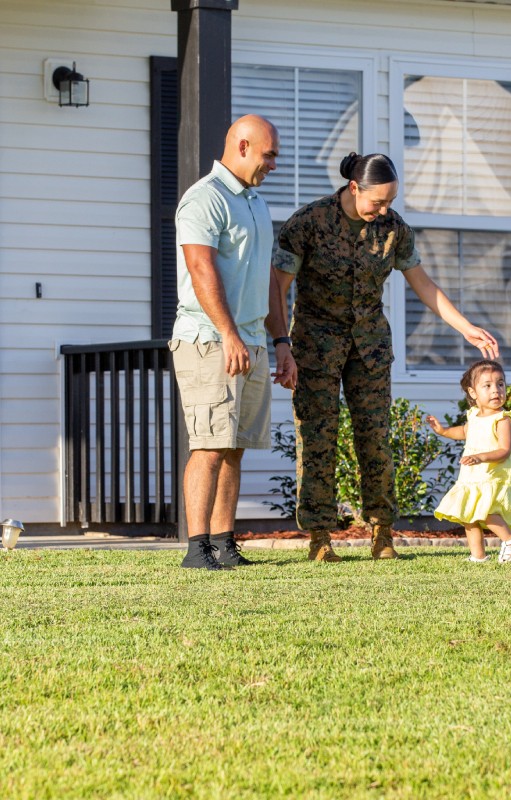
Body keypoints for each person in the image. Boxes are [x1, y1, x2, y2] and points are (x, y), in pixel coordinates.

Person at [269, 152, 498, 563]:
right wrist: (281, 342)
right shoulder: (309, 223)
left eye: (390, 201)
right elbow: (277, 286)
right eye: (378, 201)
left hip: (370, 347)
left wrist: (464, 326)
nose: (384, 209)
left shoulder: (394, 229)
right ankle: (320, 537)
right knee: (317, 439)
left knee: (375, 438)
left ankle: (382, 532)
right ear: (354, 188)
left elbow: (423, 284)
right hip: (315, 347)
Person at [170, 114, 296, 570]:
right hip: (209, 340)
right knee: (208, 443)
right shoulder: (204, 199)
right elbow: (201, 270)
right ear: (242, 146)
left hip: (252, 342)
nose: (274, 164)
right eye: (270, 155)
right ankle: (196, 548)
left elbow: (267, 280)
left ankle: (224, 543)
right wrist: (228, 333)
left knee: (234, 444)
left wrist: (280, 341)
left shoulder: (256, 203)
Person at [426, 360, 511, 563]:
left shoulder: (503, 419)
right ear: (473, 392)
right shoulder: (474, 416)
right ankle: (477, 556)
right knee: (468, 516)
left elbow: (504, 450)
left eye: (500, 384)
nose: (495, 390)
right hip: (472, 478)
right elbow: (463, 431)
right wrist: (442, 431)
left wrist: (480, 457)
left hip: (492, 475)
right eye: (487, 385)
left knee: (484, 511)